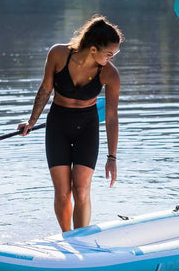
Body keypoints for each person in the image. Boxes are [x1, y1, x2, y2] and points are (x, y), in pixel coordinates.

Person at [17, 15, 123, 232]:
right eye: (109, 53)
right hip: (58, 124)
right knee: (63, 192)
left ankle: (81, 239)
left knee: (81, 189)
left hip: (87, 126)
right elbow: (46, 89)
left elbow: (111, 117)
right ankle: (67, 237)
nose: (112, 58)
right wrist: (31, 121)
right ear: (93, 49)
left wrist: (112, 157)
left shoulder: (110, 75)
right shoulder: (58, 54)